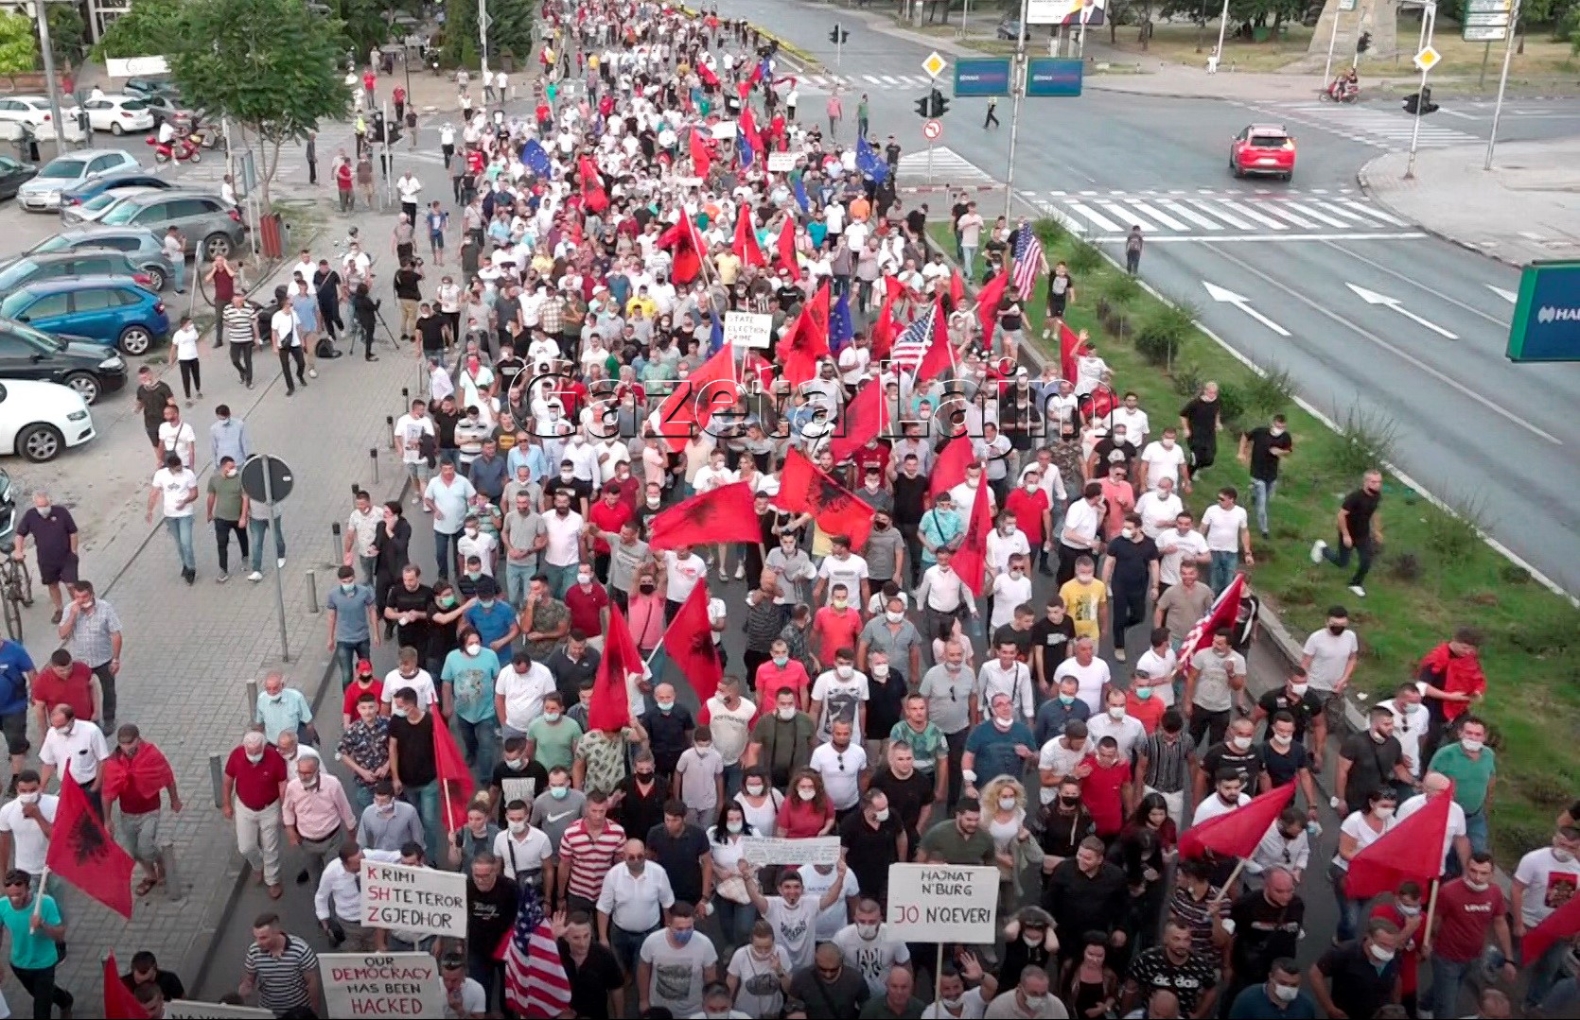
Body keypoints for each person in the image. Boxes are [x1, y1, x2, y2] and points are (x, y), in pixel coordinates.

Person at [0, 870, 71, 1018]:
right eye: (10, 896)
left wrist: (43, 924)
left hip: (44, 965)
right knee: (43, 993)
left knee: (41, 1011)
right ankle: (65, 999)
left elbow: (59, 936)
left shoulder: (46, 903)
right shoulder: (2, 906)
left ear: (28, 889)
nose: (14, 900)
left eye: (18, 894)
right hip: (19, 964)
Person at [1310, 469, 1384, 598]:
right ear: (1366, 482)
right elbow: (1341, 515)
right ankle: (1322, 548)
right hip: (1348, 533)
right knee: (1342, 563)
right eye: (1373, 482)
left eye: (1379, 482)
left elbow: (1373, 513)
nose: (1377, 485)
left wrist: (1376, 531)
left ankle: (1355, 583)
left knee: (1366, 560)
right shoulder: (1355, 497)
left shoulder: (1376, 496)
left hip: (1363, 534)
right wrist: (1345, 535)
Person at [12, 491, 77, 624]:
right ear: (35, 505)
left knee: (71, 585)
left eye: (45, 505)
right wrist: (18, 551)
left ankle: (77, 607)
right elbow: (20, 535)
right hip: (46, 560)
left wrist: (73, 551)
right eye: (40, 506)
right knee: (52, 585)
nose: (43, 509)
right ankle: (59, 609)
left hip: (66, 557)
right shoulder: (30, 515)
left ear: (50, 502)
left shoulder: (61, 512)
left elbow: (73, 532)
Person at [1226, 958, 1316, 1019]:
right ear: (1270, 977)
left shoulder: (1306, 1005)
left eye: (1293, 985)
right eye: (1283, 983)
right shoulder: (1247, 1001)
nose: (1288, 988)